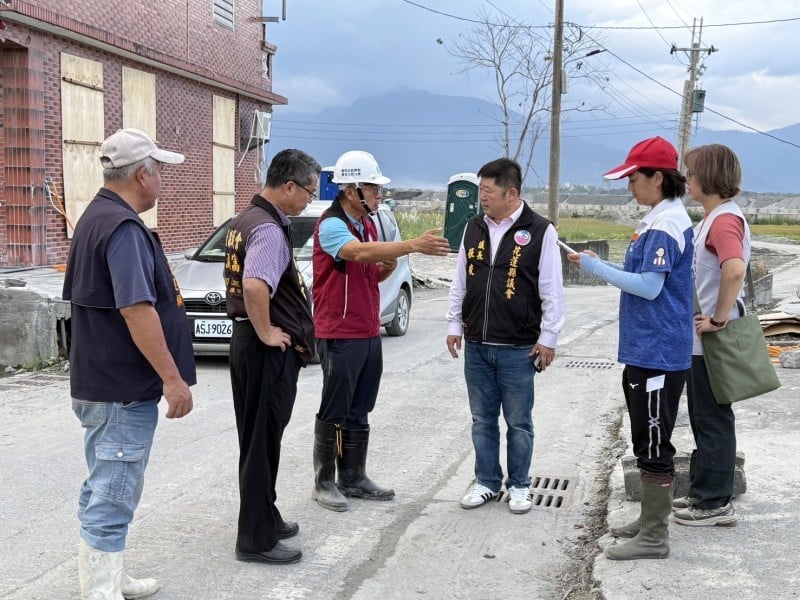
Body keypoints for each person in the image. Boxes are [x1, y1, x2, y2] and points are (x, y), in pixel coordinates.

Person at [63, 128, 196, 599]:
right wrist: (173, 380)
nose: (162, 180)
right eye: (159, 171)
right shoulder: (122, 229)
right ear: (143, 174)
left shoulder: (98, 217)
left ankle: (110, 578)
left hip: (101, 383)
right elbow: (136, 309)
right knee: (114, 491)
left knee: (105, 483)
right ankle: (99, 592)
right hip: (120, 388)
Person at [567, 136, 694, 560]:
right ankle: (648, 519)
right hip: (647, 349)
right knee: (645, 435)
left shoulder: (665, 225)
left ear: (658, 178)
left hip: (657, 350)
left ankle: (655, 537)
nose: (630, 187)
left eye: (634, 178)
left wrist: (596, 268)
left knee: (654, 440)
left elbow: (649, 287)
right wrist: (599, 265)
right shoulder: (660, 218)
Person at [311, 150, 451, 512]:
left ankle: (354, 477)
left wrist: (388, 266)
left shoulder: (367, 224)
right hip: (339, 331)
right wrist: (412, 246)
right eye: (373, 188)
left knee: (361, 405)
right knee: (335, 406)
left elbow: (369, 273)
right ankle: (324, 480)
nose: (379, 195)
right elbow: (355, 255)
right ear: (352, 189)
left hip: (366, 329)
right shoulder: (332, 224)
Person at [446, 157, 565, 516]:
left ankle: (520, 485)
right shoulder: (474, 228)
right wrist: (454, 324)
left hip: (518, 347)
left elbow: (551, 290)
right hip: (478, 345)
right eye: (480, 190)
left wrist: (549, 338)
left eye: (488, 191)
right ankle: (485, 481)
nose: (482, 197)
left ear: (511, 193)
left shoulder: (541, 231)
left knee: (518, 421)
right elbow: (460, 280)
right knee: (482, 419)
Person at [224, 149, 321, 564]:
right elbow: (254, 287)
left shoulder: (244, 220)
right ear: (289, 186)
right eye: (308, 192)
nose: (308, 201)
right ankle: (257, 539)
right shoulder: (266, 229)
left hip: (247, 347)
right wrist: (267, 331)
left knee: (257, 439)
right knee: (262, 443)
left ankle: (266, 513)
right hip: (264, 351)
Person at [672, 144, 749, 528]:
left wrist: (718, 319)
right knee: (705, 417)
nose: (688, 180)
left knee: (713, 418)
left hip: (711, 340)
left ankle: (715, 503)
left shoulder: (723, 221)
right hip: (701, 341)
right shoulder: (715, 218)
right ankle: (704, 494)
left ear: (709, 177)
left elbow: (733, 270)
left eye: (692, 173)